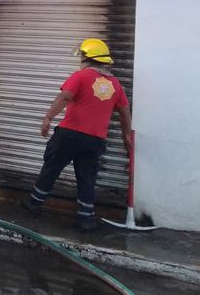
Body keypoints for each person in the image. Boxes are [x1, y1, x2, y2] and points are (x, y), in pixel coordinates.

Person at [23, 38, 132, 232]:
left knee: (52, 168)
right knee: (87, 177)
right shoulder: (115, 85)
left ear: (88, 58)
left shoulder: (80, 76)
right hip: (95, 140)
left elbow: (65, 97)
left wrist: (48, 117)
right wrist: (126, 135)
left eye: (82, 56)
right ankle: (86, 219)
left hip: (69, 135)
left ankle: (34, 204)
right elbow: (124, 111)